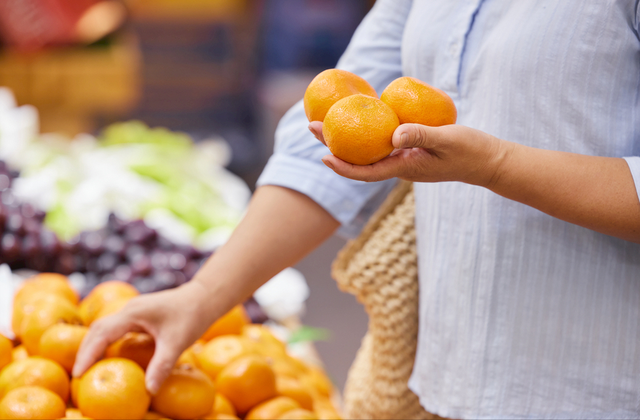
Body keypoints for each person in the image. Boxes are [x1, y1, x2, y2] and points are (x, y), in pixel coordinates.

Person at [74, 1, 640, 418]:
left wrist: (494, 165)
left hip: (596, 391)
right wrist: (203, 296)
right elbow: (333, 119)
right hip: (446, 383)